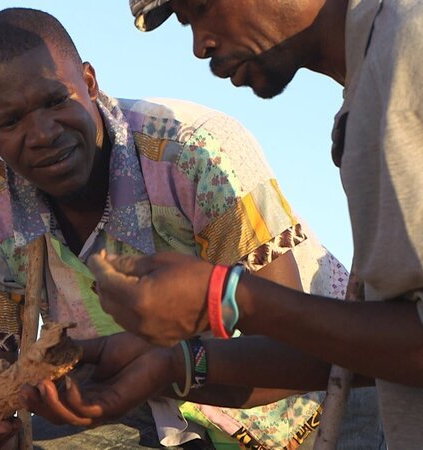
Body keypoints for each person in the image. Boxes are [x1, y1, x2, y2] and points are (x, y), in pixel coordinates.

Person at [0, 7, 372, 449]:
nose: (42, 133)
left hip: (321, 399)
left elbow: (287, 353)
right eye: (10, 121)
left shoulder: (196, 155)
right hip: (149, 410)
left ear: (88, 83)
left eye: (54, 101)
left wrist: (168, 365)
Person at [23, 0, 423, 448]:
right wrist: (174, 364)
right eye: (186, 22)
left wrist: (229, 295)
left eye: (201, 6)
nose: (199, 46)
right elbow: (383, 351)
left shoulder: (411, 49)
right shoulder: (372, 83)